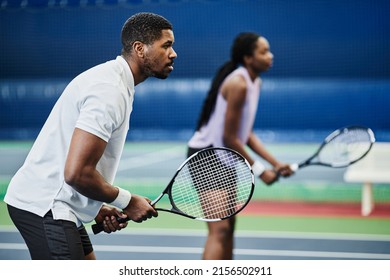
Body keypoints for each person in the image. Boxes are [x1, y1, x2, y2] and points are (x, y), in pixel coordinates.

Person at [4, 12, 177, 260]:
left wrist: (95, 208)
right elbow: (77, 173)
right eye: (166, 45)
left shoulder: (117, 82)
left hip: (58, 203)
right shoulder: (110, 91)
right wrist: (127, 201)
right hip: (46, 205)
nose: (173, 54)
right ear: (140, 49)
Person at [187, 32, 293, 260]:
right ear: (248, 58)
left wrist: (276, 163)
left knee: (229, 227)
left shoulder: (255, 82)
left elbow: (245, 134)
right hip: (207, 156)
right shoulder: (238, 83)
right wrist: (261, 170)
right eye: (264, 51)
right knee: (220, 229)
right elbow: (229, 138)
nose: (270, 56)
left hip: (225, 157)